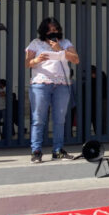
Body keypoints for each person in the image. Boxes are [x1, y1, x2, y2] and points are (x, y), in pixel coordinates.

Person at [25, 18, 79, 163]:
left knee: (59, 119)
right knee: (38, 119)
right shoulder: (35, 43)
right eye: (49, 30)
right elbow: (27, 63)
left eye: (55, 29)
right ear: (43, 31)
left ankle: (58, 150)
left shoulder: (66, 43)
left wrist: (60, 50)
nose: (52, 32)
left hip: (62, 84)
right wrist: (37, 60)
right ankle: (36, 151)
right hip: (41, 83)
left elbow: (75, 59)